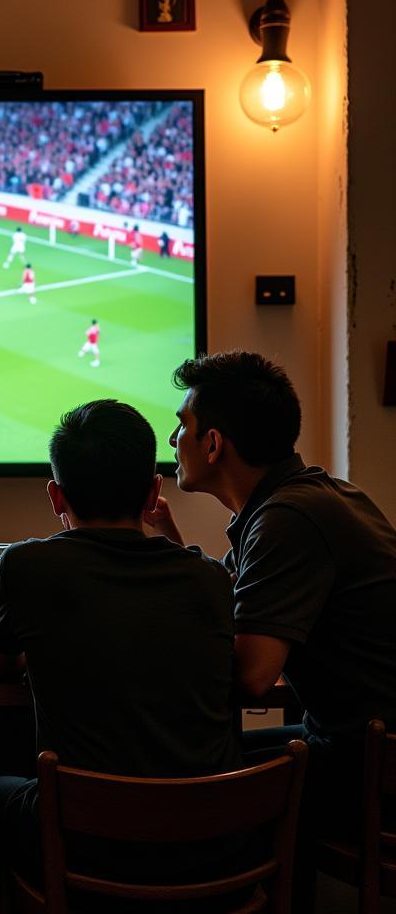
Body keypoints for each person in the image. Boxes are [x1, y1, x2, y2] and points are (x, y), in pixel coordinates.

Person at [0, 400, 240, 910]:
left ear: (56, 496)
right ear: (153, 492)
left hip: (85, 849)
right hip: (211, 850)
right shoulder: (209, 579)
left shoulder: (28, 566)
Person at [151, 351, 396, 892]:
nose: (173, 441)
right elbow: (229, 606)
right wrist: (169, 543)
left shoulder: (287, 519)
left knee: (176, 781)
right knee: (202, 762)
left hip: (373, 767)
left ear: (214, 444)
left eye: (181, 426)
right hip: (359, 745)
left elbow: (252, 676)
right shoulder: (305, 498)